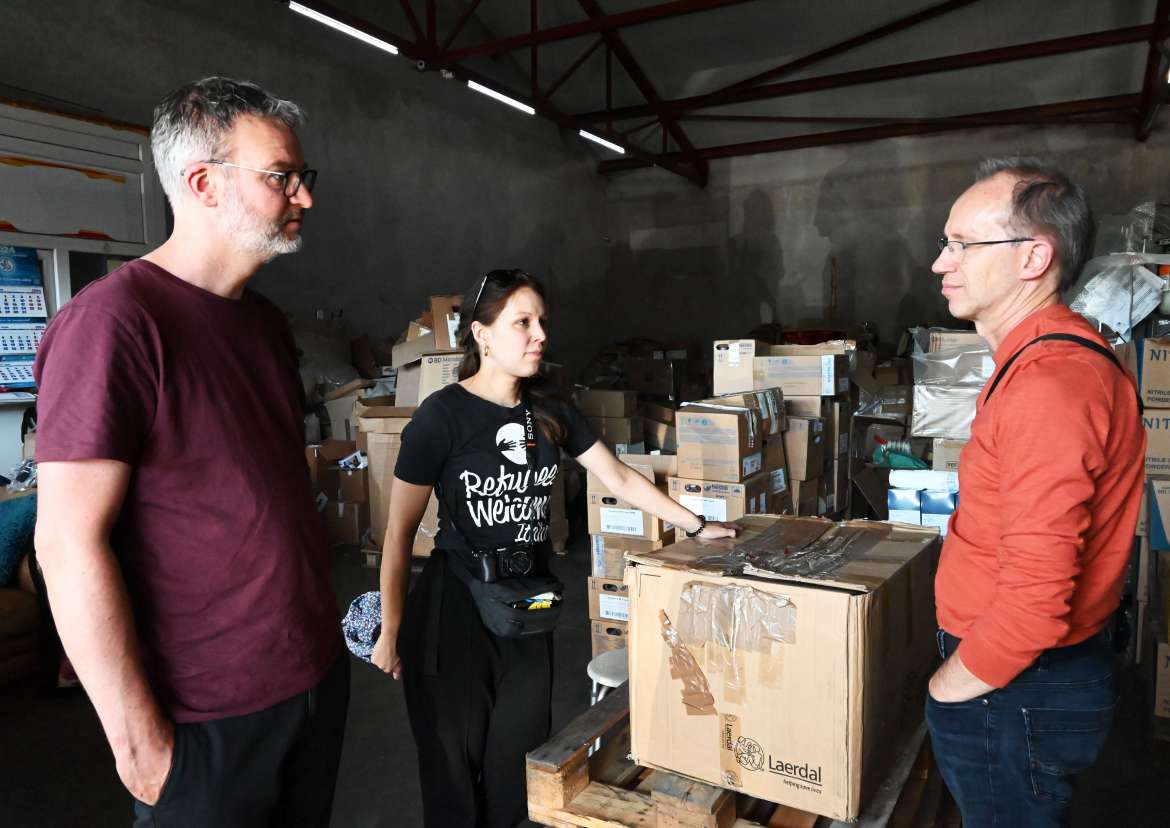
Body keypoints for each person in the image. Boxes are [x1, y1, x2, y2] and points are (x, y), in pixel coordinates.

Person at [33, 77, 348, 827]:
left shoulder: (263, 324)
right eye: (282, 178)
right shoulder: (115, 325)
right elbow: (67, 543)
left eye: (303, 176)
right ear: (204, 183)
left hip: (309, 681)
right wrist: (139, 745)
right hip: (207, 719)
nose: (304, 197)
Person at [371, 269, 739, 827]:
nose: (540, 334)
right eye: (522, 322)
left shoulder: (551, 412)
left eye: (542, 321)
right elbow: (398, 533)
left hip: (528, 607)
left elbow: (618, 477)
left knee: (514, 770)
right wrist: (392, 630)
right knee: (452, 774)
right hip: (456, 611)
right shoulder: (441, 416)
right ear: (482, 334)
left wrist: (695, 525)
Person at [926, 157, 1144, 826]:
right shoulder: (1037, 361)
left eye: (962, 244)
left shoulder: (1050, 384)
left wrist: (950, 687)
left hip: (1015, 689)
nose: (940, 263)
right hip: (1018, 682)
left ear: (1033, 257)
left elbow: (1036, 598)